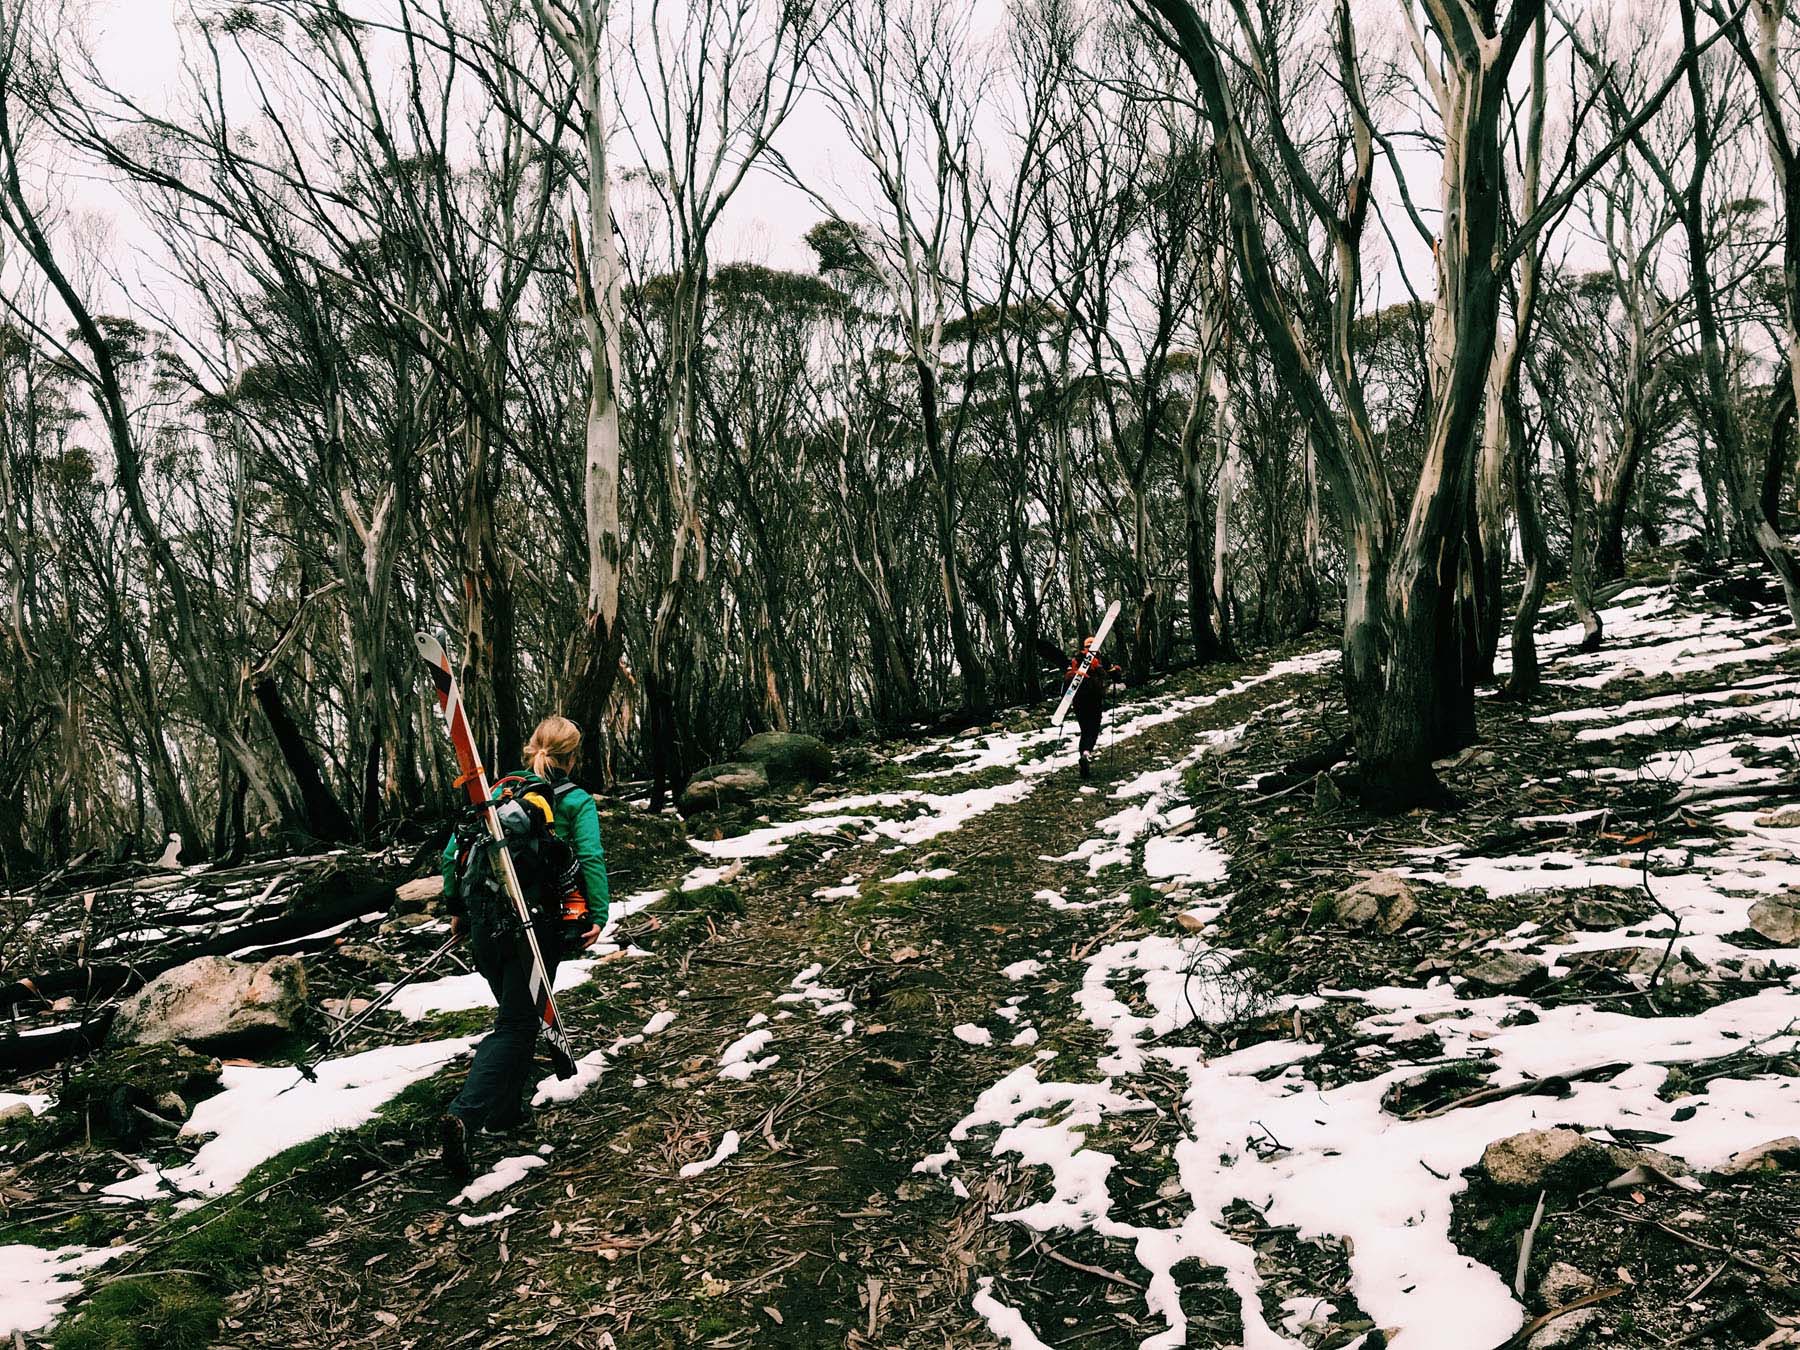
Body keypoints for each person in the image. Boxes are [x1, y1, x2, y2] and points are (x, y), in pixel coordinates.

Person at [437, 715, 609, 1177]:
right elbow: (590, 856)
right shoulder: (573, 801)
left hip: (483, 925)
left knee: (518, 1014)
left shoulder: (494, 796)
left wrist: (457, 908)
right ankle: (465, 1115)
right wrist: (599, 913)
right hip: (534, 928)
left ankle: (504, 1113)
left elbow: (452, 854)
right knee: (516, 1022)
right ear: (573, 755)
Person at [1064, 637, 1122, 780]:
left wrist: (1116, 672)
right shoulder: (1083, 659)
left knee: (1087, 730)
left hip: (1086, 700)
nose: (1090, 647)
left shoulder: (1093, 659)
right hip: (1089, 699)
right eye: (1088, 645)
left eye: (1091, 645)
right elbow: (1069, 675)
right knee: (1092, 730)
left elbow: (1114, 676)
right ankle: (1086, 753)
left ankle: (1085, 755)